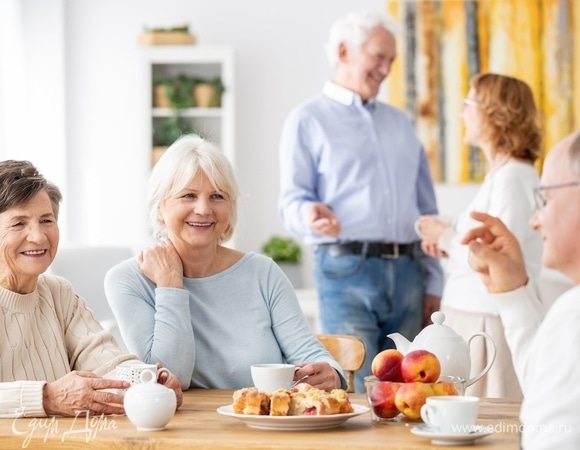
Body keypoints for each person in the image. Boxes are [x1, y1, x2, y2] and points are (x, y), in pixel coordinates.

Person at [277, 10, 443, 392]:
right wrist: (308, 214)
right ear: (343, 51)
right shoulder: (307, 120)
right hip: (345, 270)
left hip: (409, 273)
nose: (386, 68)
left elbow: (427, 213)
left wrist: (434, 281)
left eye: (392, 60)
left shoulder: (402, 124)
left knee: (410, 390)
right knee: (357, 387)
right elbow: (291, 202)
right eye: (378, 56)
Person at [105, 134, 346, 392]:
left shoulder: (263, 273)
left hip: (262, 423)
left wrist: (331, 373)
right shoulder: (127, 280)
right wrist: (170, 285)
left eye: (217, 196)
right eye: (188, 195)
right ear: (160, 205)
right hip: (181, 429)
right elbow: (170, 379)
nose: (203, 209)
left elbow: (307, 351)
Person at [0, 160, 182, 418]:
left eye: (46, 220)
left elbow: (104, 359)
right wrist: (46, 397)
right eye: (19, 223)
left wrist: (147, 381)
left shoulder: (58, 292)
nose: (39, 237)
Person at [415, 73, 543, 398]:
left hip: (486, 323)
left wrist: (445, 236)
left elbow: (498, 259)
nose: (462, 114)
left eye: (468, 104)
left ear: (495, 113)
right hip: (476, 319)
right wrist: (448, 238)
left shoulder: (511, 178)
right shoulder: (503, 175)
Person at [461, 130, 580, 449]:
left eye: (546, 199)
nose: (534, 221)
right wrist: (513, 292)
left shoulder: (573, 316)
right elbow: (547, 391)